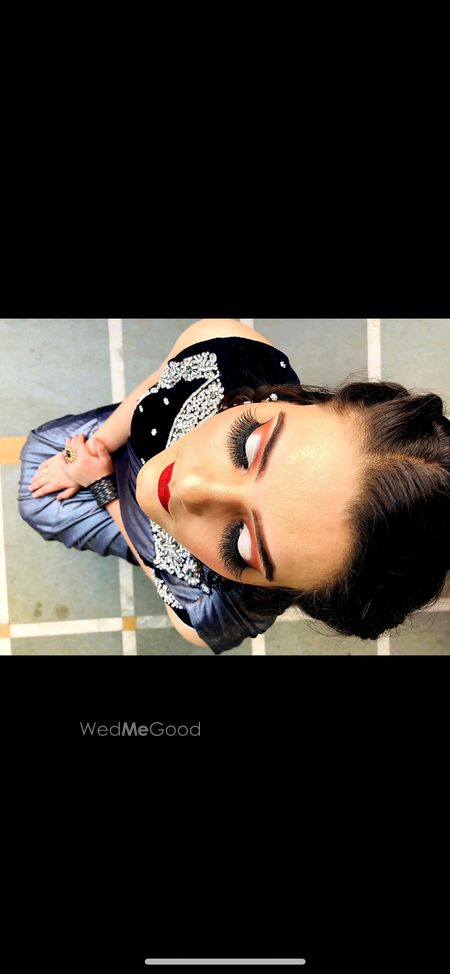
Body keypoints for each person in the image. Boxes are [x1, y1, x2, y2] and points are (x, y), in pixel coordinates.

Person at [18, 319, 450, 653]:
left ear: (277, 591)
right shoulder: (224, 345)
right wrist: (99, 445)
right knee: (40, 449)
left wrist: (104, 490)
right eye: (248, 445)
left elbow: (184, 617)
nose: (188, 488)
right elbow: (161, 379)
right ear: (302, 401)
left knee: (35, 504)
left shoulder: (222, 606)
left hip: (109, 496)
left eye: (241, 544)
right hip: (109, 448)